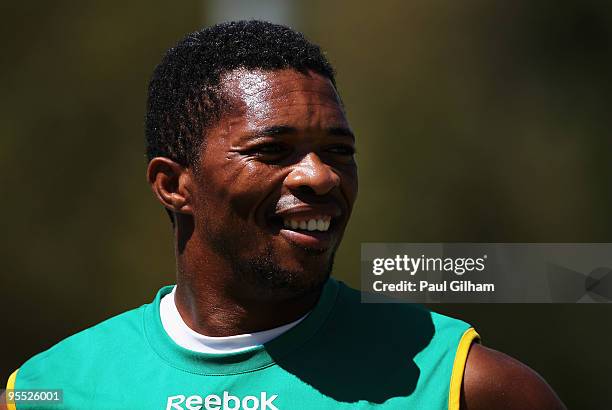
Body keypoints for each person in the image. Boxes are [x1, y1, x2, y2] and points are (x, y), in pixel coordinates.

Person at [3, 20, 565, 410]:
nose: (320, 176)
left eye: (339, 151)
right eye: (272, 151)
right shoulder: (49, 388)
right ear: (173, 185)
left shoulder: (468, 387)